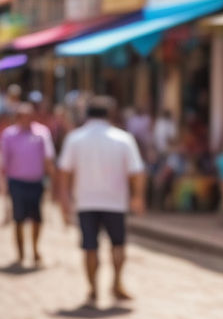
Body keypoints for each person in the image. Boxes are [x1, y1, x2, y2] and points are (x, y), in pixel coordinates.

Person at [58, 96, 146, 305]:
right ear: (111, 114)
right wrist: (137, 197)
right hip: (115, 201)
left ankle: (92, 289)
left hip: (86, 201)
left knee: (90, 247)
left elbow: (64, 172)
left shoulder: (75, 138)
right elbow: (137, 172)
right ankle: (116, 283)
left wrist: (64, 200)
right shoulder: (123, 138)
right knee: (118, 245)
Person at [0, 101, 55, 266]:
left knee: (37, 218)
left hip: (36, 182)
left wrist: (53, 183)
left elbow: (48, 158)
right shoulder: (9, 134)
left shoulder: (42, 133)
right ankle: (21, 253)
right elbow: (3, 161)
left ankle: (35, 249)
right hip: (16, 182)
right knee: (19, 218)